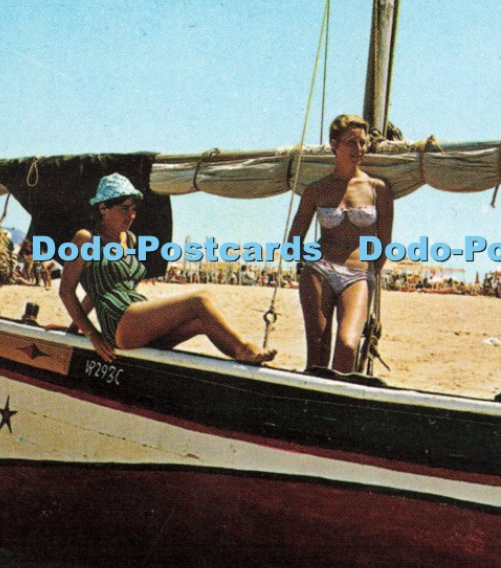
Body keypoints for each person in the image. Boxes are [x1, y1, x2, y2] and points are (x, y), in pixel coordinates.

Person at [59, 174, 275, 365]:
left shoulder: (131, 240)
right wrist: (91, 335)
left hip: (138, 317)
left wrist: (71, 329)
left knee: (200, 322)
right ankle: (245, 348)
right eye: (123, 208)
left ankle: (244, 361)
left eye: (133, 209)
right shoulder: (86, 239)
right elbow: (66, 291)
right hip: (120, 322)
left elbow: (96, 292)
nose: (130, 216)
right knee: (202, 298)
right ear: (103, 208)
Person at [287, 115, 395, 374]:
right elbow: (294, 241)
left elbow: (384, 242)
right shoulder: (317, 190)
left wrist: (372, 272)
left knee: (347, 345)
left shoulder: (377, 189)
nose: (359, 150)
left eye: (362, 143)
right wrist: (309, 264)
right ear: (334, 144)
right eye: (351, 143)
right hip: (319, 272)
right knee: (317, 350)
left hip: (358, 275)